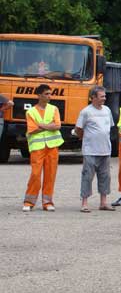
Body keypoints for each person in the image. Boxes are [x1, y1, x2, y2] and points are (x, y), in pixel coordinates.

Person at [23, 84, 64, 212]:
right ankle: (29, 202)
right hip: (37, 147)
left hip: (52, 147)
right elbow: (32, 129)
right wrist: (48, 125)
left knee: (50, 174)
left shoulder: (54, 109)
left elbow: (57, 126)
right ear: (39, 95)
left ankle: (47, 202)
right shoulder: (31, 112)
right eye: (46, 94)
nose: (49, 96)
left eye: (50, 94)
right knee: (35, 174)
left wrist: (41, 125)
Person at [75, 86, 115, 212]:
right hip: (90, 150)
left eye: (104, 96)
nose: (104, 98)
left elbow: (110, 127)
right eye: (101, 96)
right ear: (93, 98)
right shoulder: (86, 112)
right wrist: (84, 138)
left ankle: (103, 202)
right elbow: (78, 129)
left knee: (105, 176)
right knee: (87, 176)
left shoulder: (107, 110)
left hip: (105, 150)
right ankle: (84, 203)